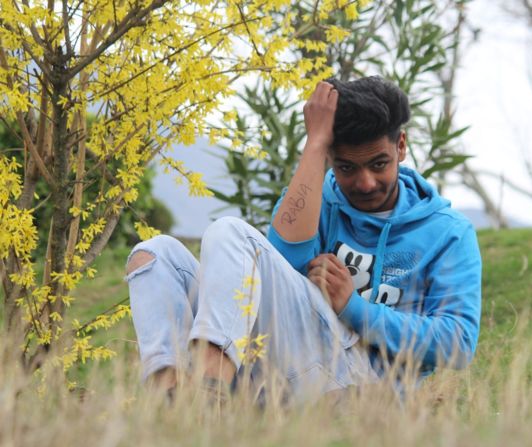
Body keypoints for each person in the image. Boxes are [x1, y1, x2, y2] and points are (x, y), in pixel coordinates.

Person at [124, 76, 482, 404]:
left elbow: (459, 344)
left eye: (378, 164)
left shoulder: (447, 232)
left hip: (365, 386)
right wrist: (315, 144)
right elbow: (278, 270)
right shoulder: (315, 198)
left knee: (229, 232)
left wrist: (353, 307)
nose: (365, 183)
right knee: (154, 254)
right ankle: (171, 403)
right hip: (281, 368)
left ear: (401, 146)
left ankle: (209, 393)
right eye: (347, 167)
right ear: (331, 158)